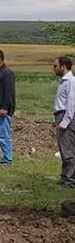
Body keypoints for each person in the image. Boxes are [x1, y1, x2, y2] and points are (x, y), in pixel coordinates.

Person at [52, 56, 75, 188]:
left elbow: (71, 104)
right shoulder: (63, 81)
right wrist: (55, 120)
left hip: (67, 117)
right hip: (60, 115)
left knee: (68, 149)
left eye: (55, 66)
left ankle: (70, 180)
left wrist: (65, 122)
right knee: (63, 148)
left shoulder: (71, 82)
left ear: (63, 66)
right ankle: (65, 176)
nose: (54, 68)